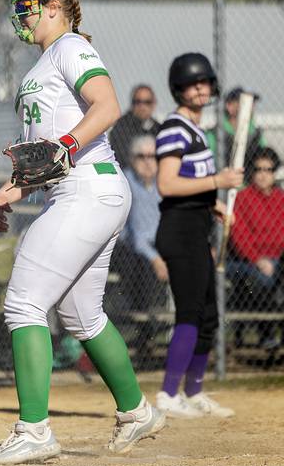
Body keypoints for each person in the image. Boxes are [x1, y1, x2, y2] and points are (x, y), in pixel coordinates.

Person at [0, 0, 165, 465]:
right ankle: (136, 410)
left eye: (29, 4)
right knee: (80, 314)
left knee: (23, 305)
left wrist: (64, 147)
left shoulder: (68, 47)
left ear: (56, 6)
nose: (20, 14)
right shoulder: (48, 59)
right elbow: (51, 153)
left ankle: (35, 430)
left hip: (88, 189)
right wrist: (14, 187)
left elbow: (106, 106)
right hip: (83, 190)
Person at [154, 52, 243, 419]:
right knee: (190, 314)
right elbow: (167, 184)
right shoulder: (174, 127)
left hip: (197, 229)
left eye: (204, 82)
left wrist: (213, 203)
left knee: (208, 316)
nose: (200, 88)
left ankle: (193, 392)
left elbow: (191, 185)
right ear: (179, 88)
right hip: (179, 233)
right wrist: (216, 182)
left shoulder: (197, 132)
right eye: (193, 83)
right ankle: (167, 394)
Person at [228, 147, 284, 348]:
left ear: (274, 172)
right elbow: (239, 236)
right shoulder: (242, 198)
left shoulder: (281, 198)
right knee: (262, 279)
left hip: (278, 260)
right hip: (249, 262)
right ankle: (267, 334)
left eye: (268, 169)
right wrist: (258, 259)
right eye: (258, 169)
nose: (262, 174)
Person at [122, 135, 168, 310]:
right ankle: (146, 325)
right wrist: (155, 259)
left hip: (160, 242)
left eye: (153, 157)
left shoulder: (163, 183)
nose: (148, 162)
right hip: (132, 247)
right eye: (142, 157)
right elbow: (136, 236)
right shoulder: (126, 181)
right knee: (144, 267)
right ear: (132, 159)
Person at [205, 87, 265, 180]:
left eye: (252, 103)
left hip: (250, 188)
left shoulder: (255, 133)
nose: (251, 107)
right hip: (222, 184)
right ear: (230, 106)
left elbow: (264, 158)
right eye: (244, 102)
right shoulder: (214, 134)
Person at [109, 85, 160, 169]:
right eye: (138, 102)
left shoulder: (158, 128)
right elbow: (121, 158)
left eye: (147, 102)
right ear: (132, 104)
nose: (142, 107)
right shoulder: (121, 127)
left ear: (153, 104)